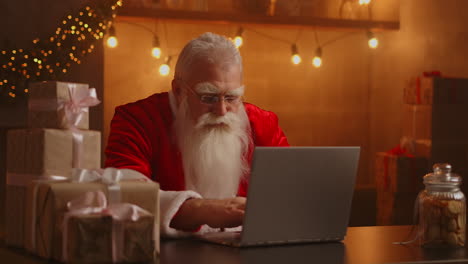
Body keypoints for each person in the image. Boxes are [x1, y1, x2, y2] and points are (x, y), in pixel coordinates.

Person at [105, 32, 289, 237]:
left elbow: (290, 190)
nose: (221, 110)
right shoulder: (138, 120)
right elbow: (124, 195)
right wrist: (203, 210)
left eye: (231, 97)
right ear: (178, 90)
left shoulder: (263, 123)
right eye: (208, 97)